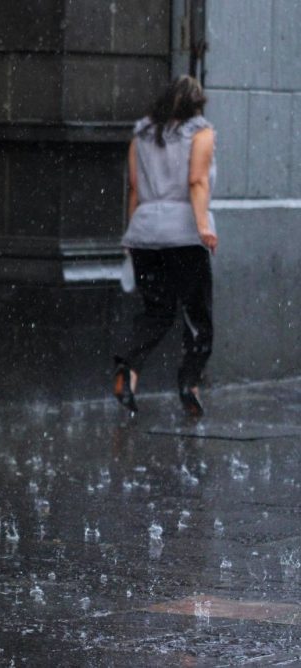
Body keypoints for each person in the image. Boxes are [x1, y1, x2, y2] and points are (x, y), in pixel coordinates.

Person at [113, 75, 217, 417]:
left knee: (157, 311)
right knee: (197, 314)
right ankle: (189, 382)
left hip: (145, 232)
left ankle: (127, 371)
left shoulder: (140, 137)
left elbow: (134, 189)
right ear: (196, 106)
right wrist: (202, 226)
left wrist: (132, 234)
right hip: (183, 234)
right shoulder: (201, 134)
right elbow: (197, 180)